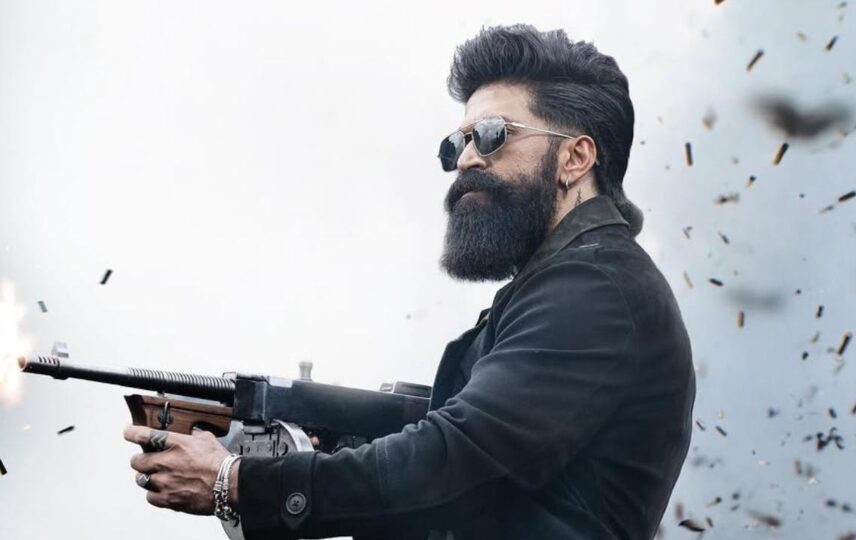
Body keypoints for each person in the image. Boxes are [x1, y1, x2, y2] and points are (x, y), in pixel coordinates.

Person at [124, 23, 696, 540]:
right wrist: (337, 444)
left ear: (575, 158)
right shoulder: (568, 284)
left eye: (492, 134)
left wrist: (237, 483)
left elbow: (457, 459)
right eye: (458, 143)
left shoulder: (595, 288)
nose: (466, 159)